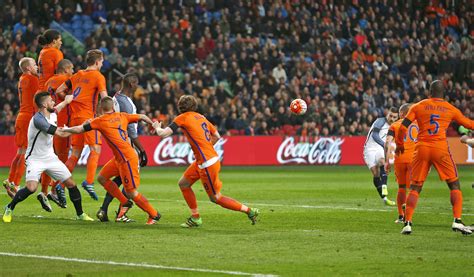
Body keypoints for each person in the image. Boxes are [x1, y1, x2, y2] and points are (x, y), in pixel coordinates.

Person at [153, 95, 259, 228]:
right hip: (205, 160)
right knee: (183, 184)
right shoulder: (201, 117)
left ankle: (249, 211)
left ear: (180, 107)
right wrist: (206, 147)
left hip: (206, 163)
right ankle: (195, 217)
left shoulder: (182, 118)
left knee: (216, 198)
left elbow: (163, 134)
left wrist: (156, 127)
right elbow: (217, 136)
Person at [61, 96, 161, 225]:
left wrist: (66, 129)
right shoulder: (122, 116)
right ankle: (124, 201)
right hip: (119, 158)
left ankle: (154, 214)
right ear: (113, 106)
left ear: (101, 108)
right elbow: (141, 116)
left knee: (131, 192)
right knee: (102, 178)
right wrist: (153, 124)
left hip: (127, 158)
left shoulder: (100, 121)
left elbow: (79, 129)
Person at [395, 80, 474, 235]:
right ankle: (457, 220)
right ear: (443, 93)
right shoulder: (450, 108)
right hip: (440, 148)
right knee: (454, 185)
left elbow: (403, 127)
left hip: (422, 148)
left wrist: (399, 145)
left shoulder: (418, 106)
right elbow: (468, 123)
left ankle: (408, 223)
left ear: (429, 92)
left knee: (415, 187)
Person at [3, 92, 93, 222]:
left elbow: (58, 108)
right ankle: (9, 207)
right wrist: (83, 128)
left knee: (71, 184)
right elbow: (61, 134)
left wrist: (67, 101)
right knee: (31, 188)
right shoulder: (38, 120)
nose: (53, 103)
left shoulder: (52, 113)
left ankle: (80, 214)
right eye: (51, 101)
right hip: (34, 158)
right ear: (44, 104)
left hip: (50, 157)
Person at [55, 49, 107, 202]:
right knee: (95, 148)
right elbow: (104, 98)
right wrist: (109, 115)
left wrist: (67, 99)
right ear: (97, 62)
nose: (102, 64)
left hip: (74, 117)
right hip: (88, 118)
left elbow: (59, 91)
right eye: (102, 62)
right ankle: (89, 182)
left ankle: (60, 184)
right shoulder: (98, 76)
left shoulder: (77, 75)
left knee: (76, 153)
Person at [96, 73, 148, 222]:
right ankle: (121, 214)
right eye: (137, 83)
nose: (138, 86)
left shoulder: (114, 98)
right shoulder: (127, 104)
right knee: (130, 183)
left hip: (117, 146)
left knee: (119, 179)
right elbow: (131, 130)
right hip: (127, 146)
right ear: (131, 84)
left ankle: (103, 209)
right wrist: (142, 150)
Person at [3, 58, 39, 198]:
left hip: (21, 116)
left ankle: (10, 179)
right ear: (29, 68)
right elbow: (39, 98)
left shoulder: (22, 79)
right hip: (29, 117)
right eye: (35, 65)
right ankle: (16, 184)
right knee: (26, 152)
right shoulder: (32, 79)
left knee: (20, 151)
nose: (37, 67)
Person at [36, 29, 64, 207]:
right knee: (56, 150)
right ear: (54, 41)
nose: (61, 42)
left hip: (40, 97)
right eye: (60, 40)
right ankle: (52, 189)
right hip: (50, 96)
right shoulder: (55, 52)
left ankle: (46, 191)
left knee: (47, 147)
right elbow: (60, 75)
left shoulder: (42, 52)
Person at [42, 59, 74, 208]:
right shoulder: (66, 80)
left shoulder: (49, 81)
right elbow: (72, 98)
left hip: (50, 122)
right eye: (71, 69)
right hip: (62, 124)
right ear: (66, 69)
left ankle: (44, 191)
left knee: (49, 157)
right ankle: (55, 188)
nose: (73, 71)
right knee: (62, 158)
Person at [384, 103, 418, 223]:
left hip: (399, 159)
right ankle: (408, 217)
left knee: (401, 187)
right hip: (414, 160)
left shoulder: (394, 125)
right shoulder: (418, 124)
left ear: (402, 113)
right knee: (413, 189)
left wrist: (387, 161)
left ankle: (400, 215)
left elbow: (387, 143)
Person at [363, 107, 398, 206]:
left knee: (382, 162)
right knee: (375, 173)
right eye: (390, 115)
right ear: (387, 114)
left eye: (394, 117)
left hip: (380, 148)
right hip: (369, 148)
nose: (391, 118)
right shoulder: (380, 121)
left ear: (397, 118)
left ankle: (384, 186)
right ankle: (385, 198)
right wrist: (385, 144)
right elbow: (375, 135)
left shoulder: (395, 126)